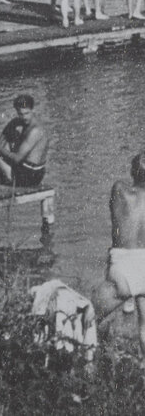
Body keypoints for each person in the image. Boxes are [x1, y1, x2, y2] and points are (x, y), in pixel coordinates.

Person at [94, 153, 145, 364]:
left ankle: (86, 362)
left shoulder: (119, 189)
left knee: (89, 315)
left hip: (123, 266)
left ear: (133, 172)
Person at [0, 93, 49, 187]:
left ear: (33, 110)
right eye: (20, 114)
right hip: (22, 168)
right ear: (16, 111)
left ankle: (2, 175)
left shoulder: (35, 130)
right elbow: (0, 142)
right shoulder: (16, 122)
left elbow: (17, 158)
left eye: (27, 113)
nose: (24, 117)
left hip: (31, 176)